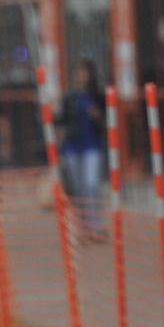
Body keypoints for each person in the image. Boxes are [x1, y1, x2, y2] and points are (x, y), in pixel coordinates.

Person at [59, 60, 107, 240]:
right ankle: (83, 226)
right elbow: (62, 123)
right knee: (78, 188)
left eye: (85, 72)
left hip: (92, 145)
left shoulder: (97, 96)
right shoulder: (69, 97)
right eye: (79, 73)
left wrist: (97, 114)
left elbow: (107, 121)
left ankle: (95, 226)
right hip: (72, 147)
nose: (82, 77)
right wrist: (59, 149)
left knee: (91, 184)